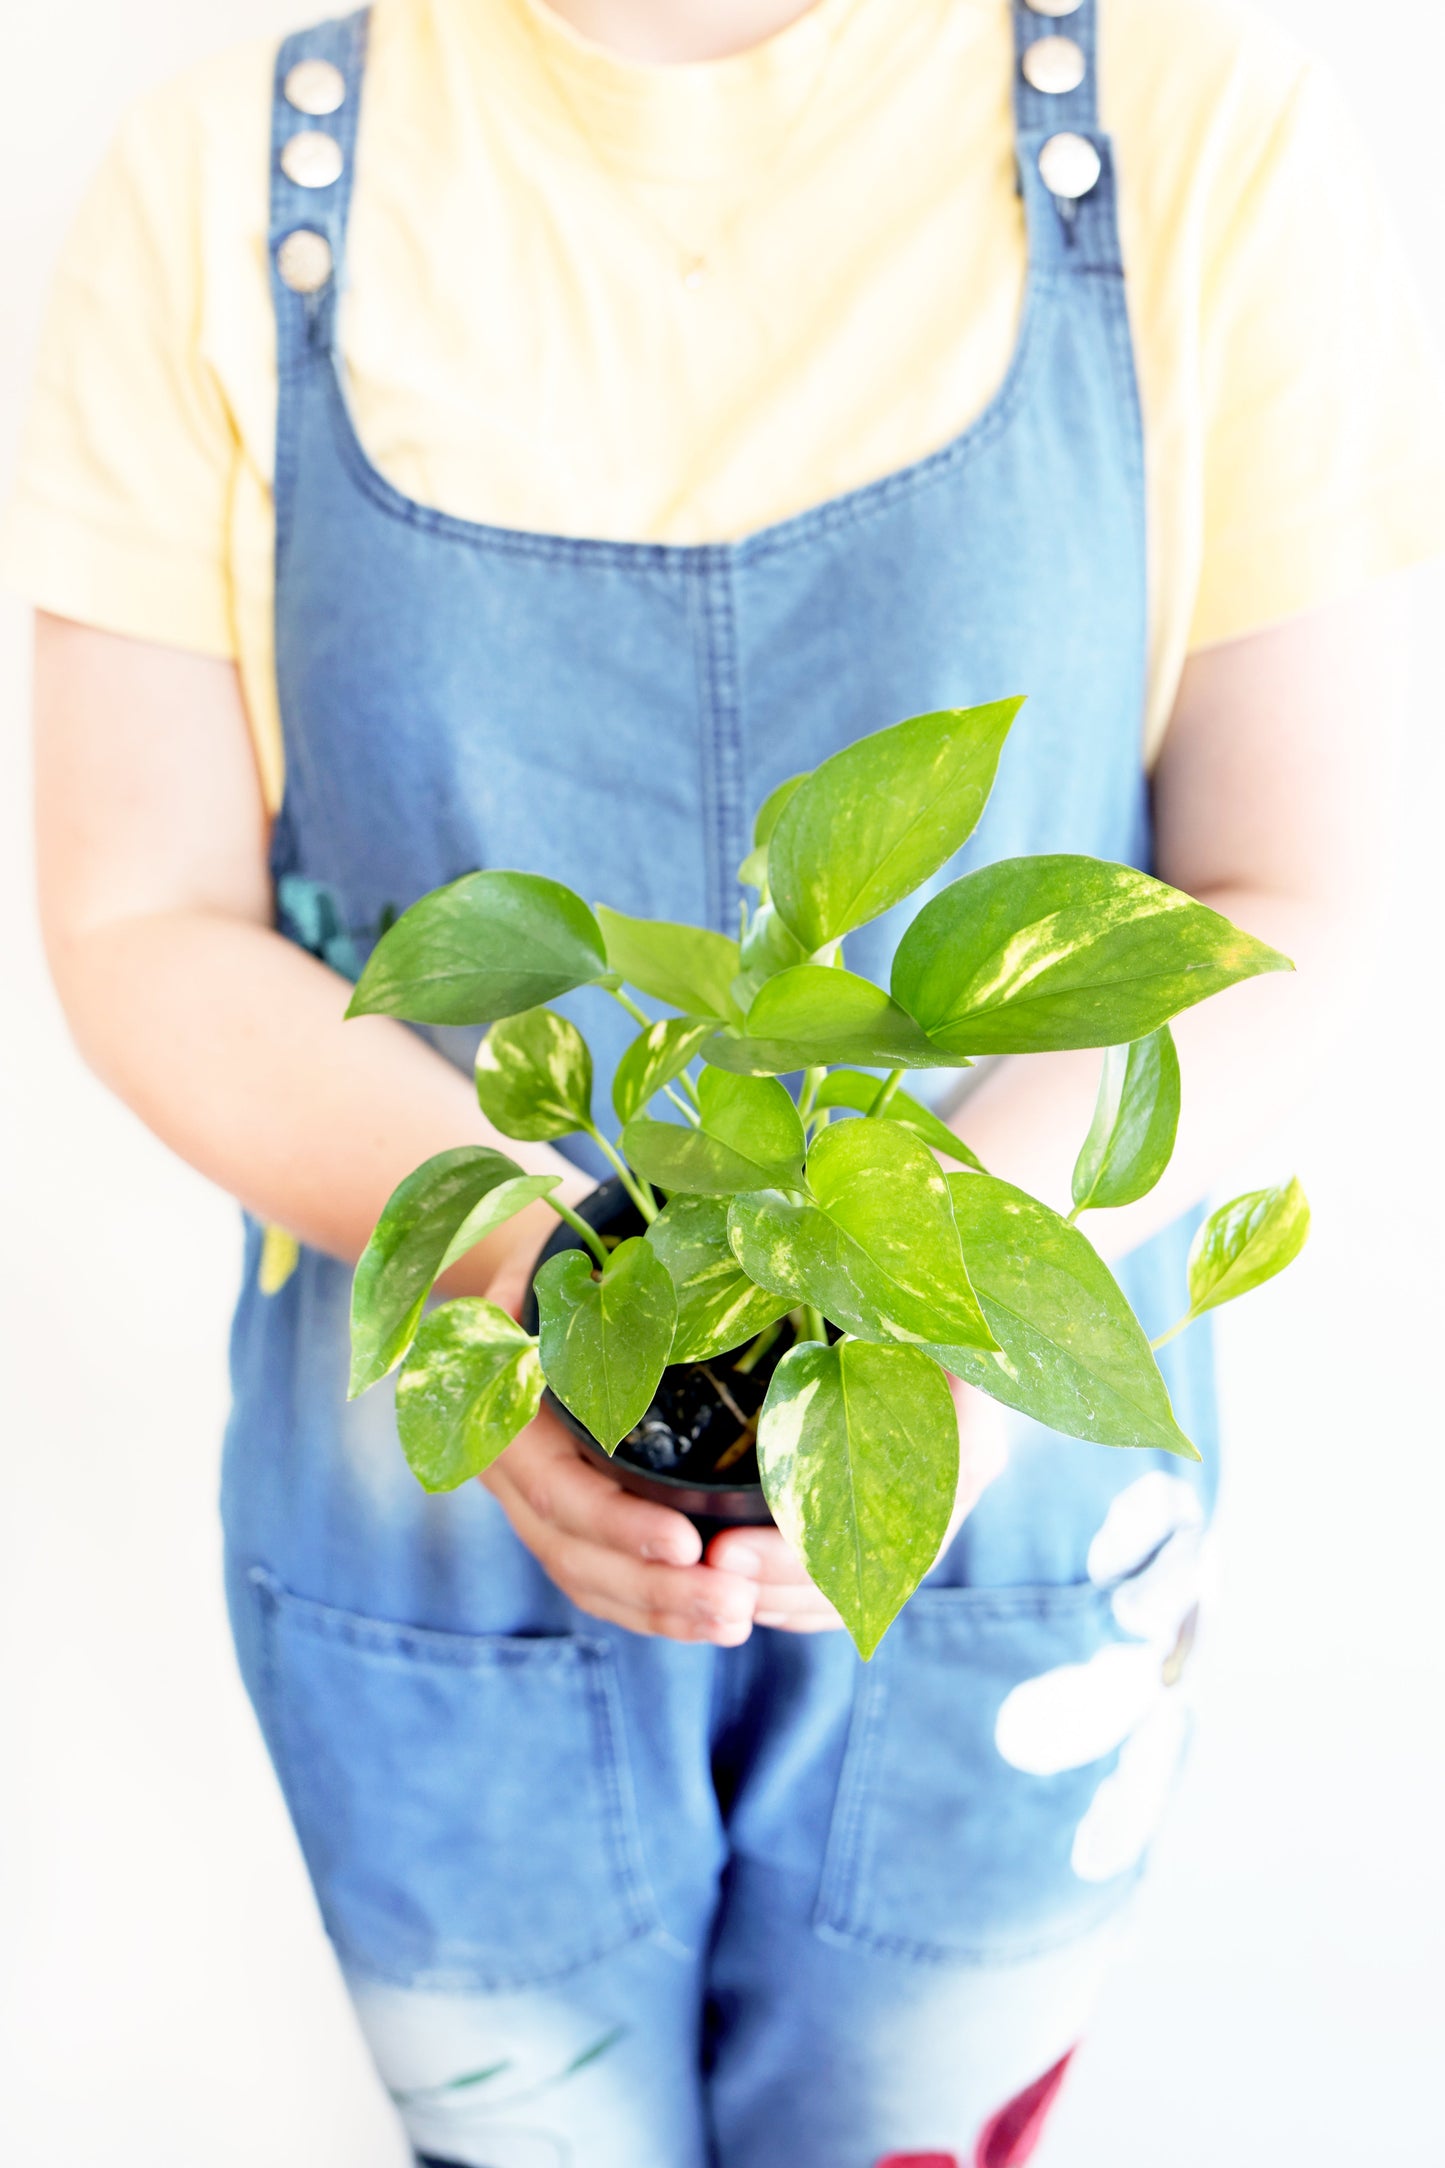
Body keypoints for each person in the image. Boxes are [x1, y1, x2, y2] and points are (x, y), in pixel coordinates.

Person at [7, 1, 1443, 2162]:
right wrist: (524, 1273)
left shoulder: (1185, 134)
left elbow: (1297, 892)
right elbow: (137, 916)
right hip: (437, 1480)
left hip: (1011, 1499)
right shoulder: (228, 185)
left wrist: (947, 1297)